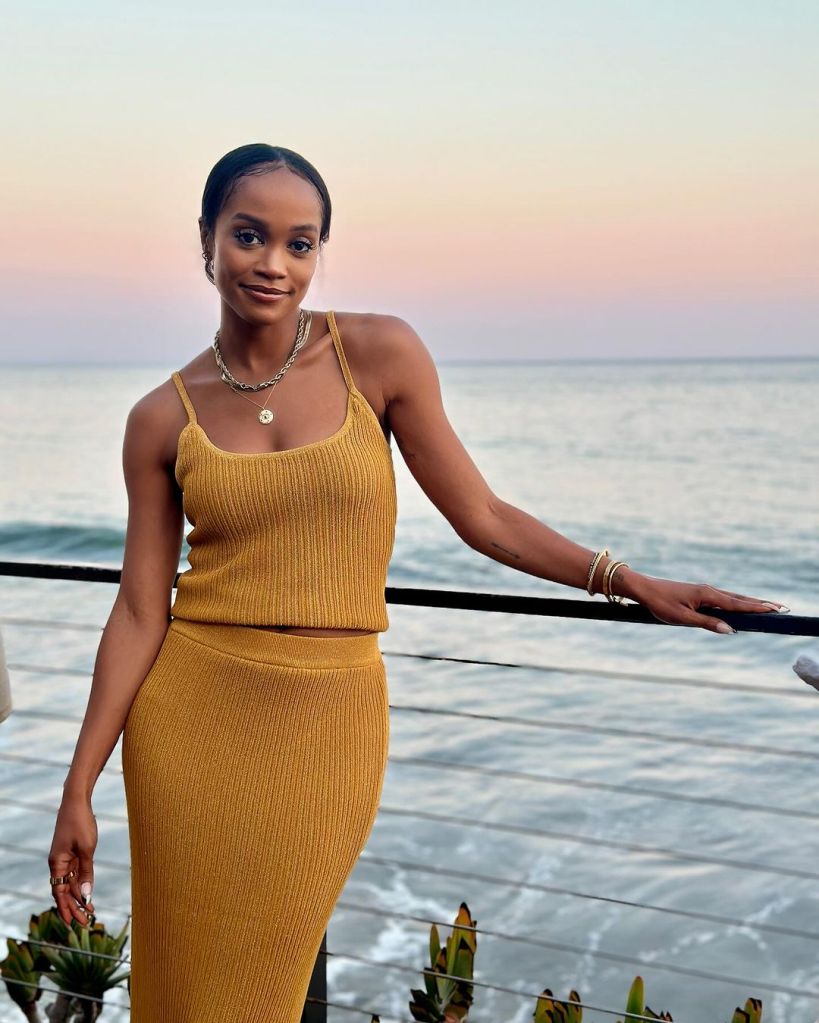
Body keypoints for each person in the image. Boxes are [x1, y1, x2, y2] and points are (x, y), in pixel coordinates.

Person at [46, 143, 786, 1021]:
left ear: (320, 252)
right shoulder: (161, 417)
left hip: (332, 721)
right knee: (187, 984)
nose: (273, 264)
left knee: (264, 987)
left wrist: (628, 581)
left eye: (300, 242)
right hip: (190, 718)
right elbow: (139, 609)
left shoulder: (377, 354)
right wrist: (78, 786)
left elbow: (483, 516)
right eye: (249, 236)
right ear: (205, 240)